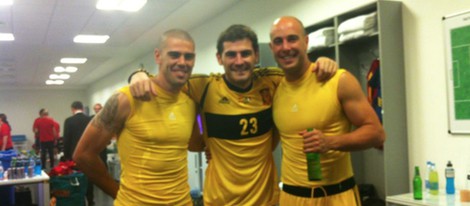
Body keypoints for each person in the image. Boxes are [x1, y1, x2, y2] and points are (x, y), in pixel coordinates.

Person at [129, 25, 338, 205]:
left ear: (256, 55)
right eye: (231, 54)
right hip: (219, 201)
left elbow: (302, 73)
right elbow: (163, 81)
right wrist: (137, 75)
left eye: (245, 53)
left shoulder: (273, 81)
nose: (239, 61)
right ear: (219, 58)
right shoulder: (204, 86)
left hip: (265, 200)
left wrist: (322, 61)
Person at [73, 29, 200, 206]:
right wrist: (118, 193)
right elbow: (83, 155)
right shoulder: (126, 99)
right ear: (158, 56)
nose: (182, 62)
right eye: (174, 55)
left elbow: (195, 145)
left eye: (189, 57)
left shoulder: (190, 101)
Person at [269, 16, 385, 205]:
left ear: (305, 42)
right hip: (291, 198)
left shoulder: (338, 80)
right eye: (278, 41)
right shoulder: (273, 88)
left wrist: (330, 142)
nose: (285, 47)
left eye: (292, 39)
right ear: (271, 48)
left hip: (336, 196)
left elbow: (377, 134)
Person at [63, 101, 94, 205]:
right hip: (88, 154)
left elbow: (66, 139)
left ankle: (78, 200)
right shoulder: (90, 120)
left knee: (76, 178)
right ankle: (90, 200)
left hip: (74, 155)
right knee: (89, 178)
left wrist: (66, 156)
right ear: (82, 108)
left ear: (72, 109)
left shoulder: (69, 121)